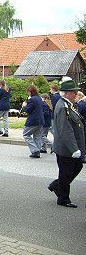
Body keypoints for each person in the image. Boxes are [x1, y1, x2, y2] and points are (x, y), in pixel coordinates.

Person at [48, 78, 85, 208]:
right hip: (66, 148)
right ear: (66, 93)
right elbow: (65, 130)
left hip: (68, 147)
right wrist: (74, 149)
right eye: (74, 92)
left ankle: (56, 186)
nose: (75, 94)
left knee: (75, 168)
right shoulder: (63, 106)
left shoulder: (67, 104)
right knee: (66, 173)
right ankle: (63, 198)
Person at [22, 85, 44, 158]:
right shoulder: (39, 98)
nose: (28, 93)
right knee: (37, 136)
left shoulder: (32, 99)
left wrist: (24, 106)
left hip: (33, 120)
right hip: (40, 120)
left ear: (30, 92)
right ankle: (37, 150)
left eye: (28, 92)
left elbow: (28, 110)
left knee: (26, 134)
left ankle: (35, 150)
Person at [75, 91, 86, 164]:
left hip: (82, 124)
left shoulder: (79, 104)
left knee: (82, 139)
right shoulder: (84, 103)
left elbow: (77, 115)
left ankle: (82, 155)